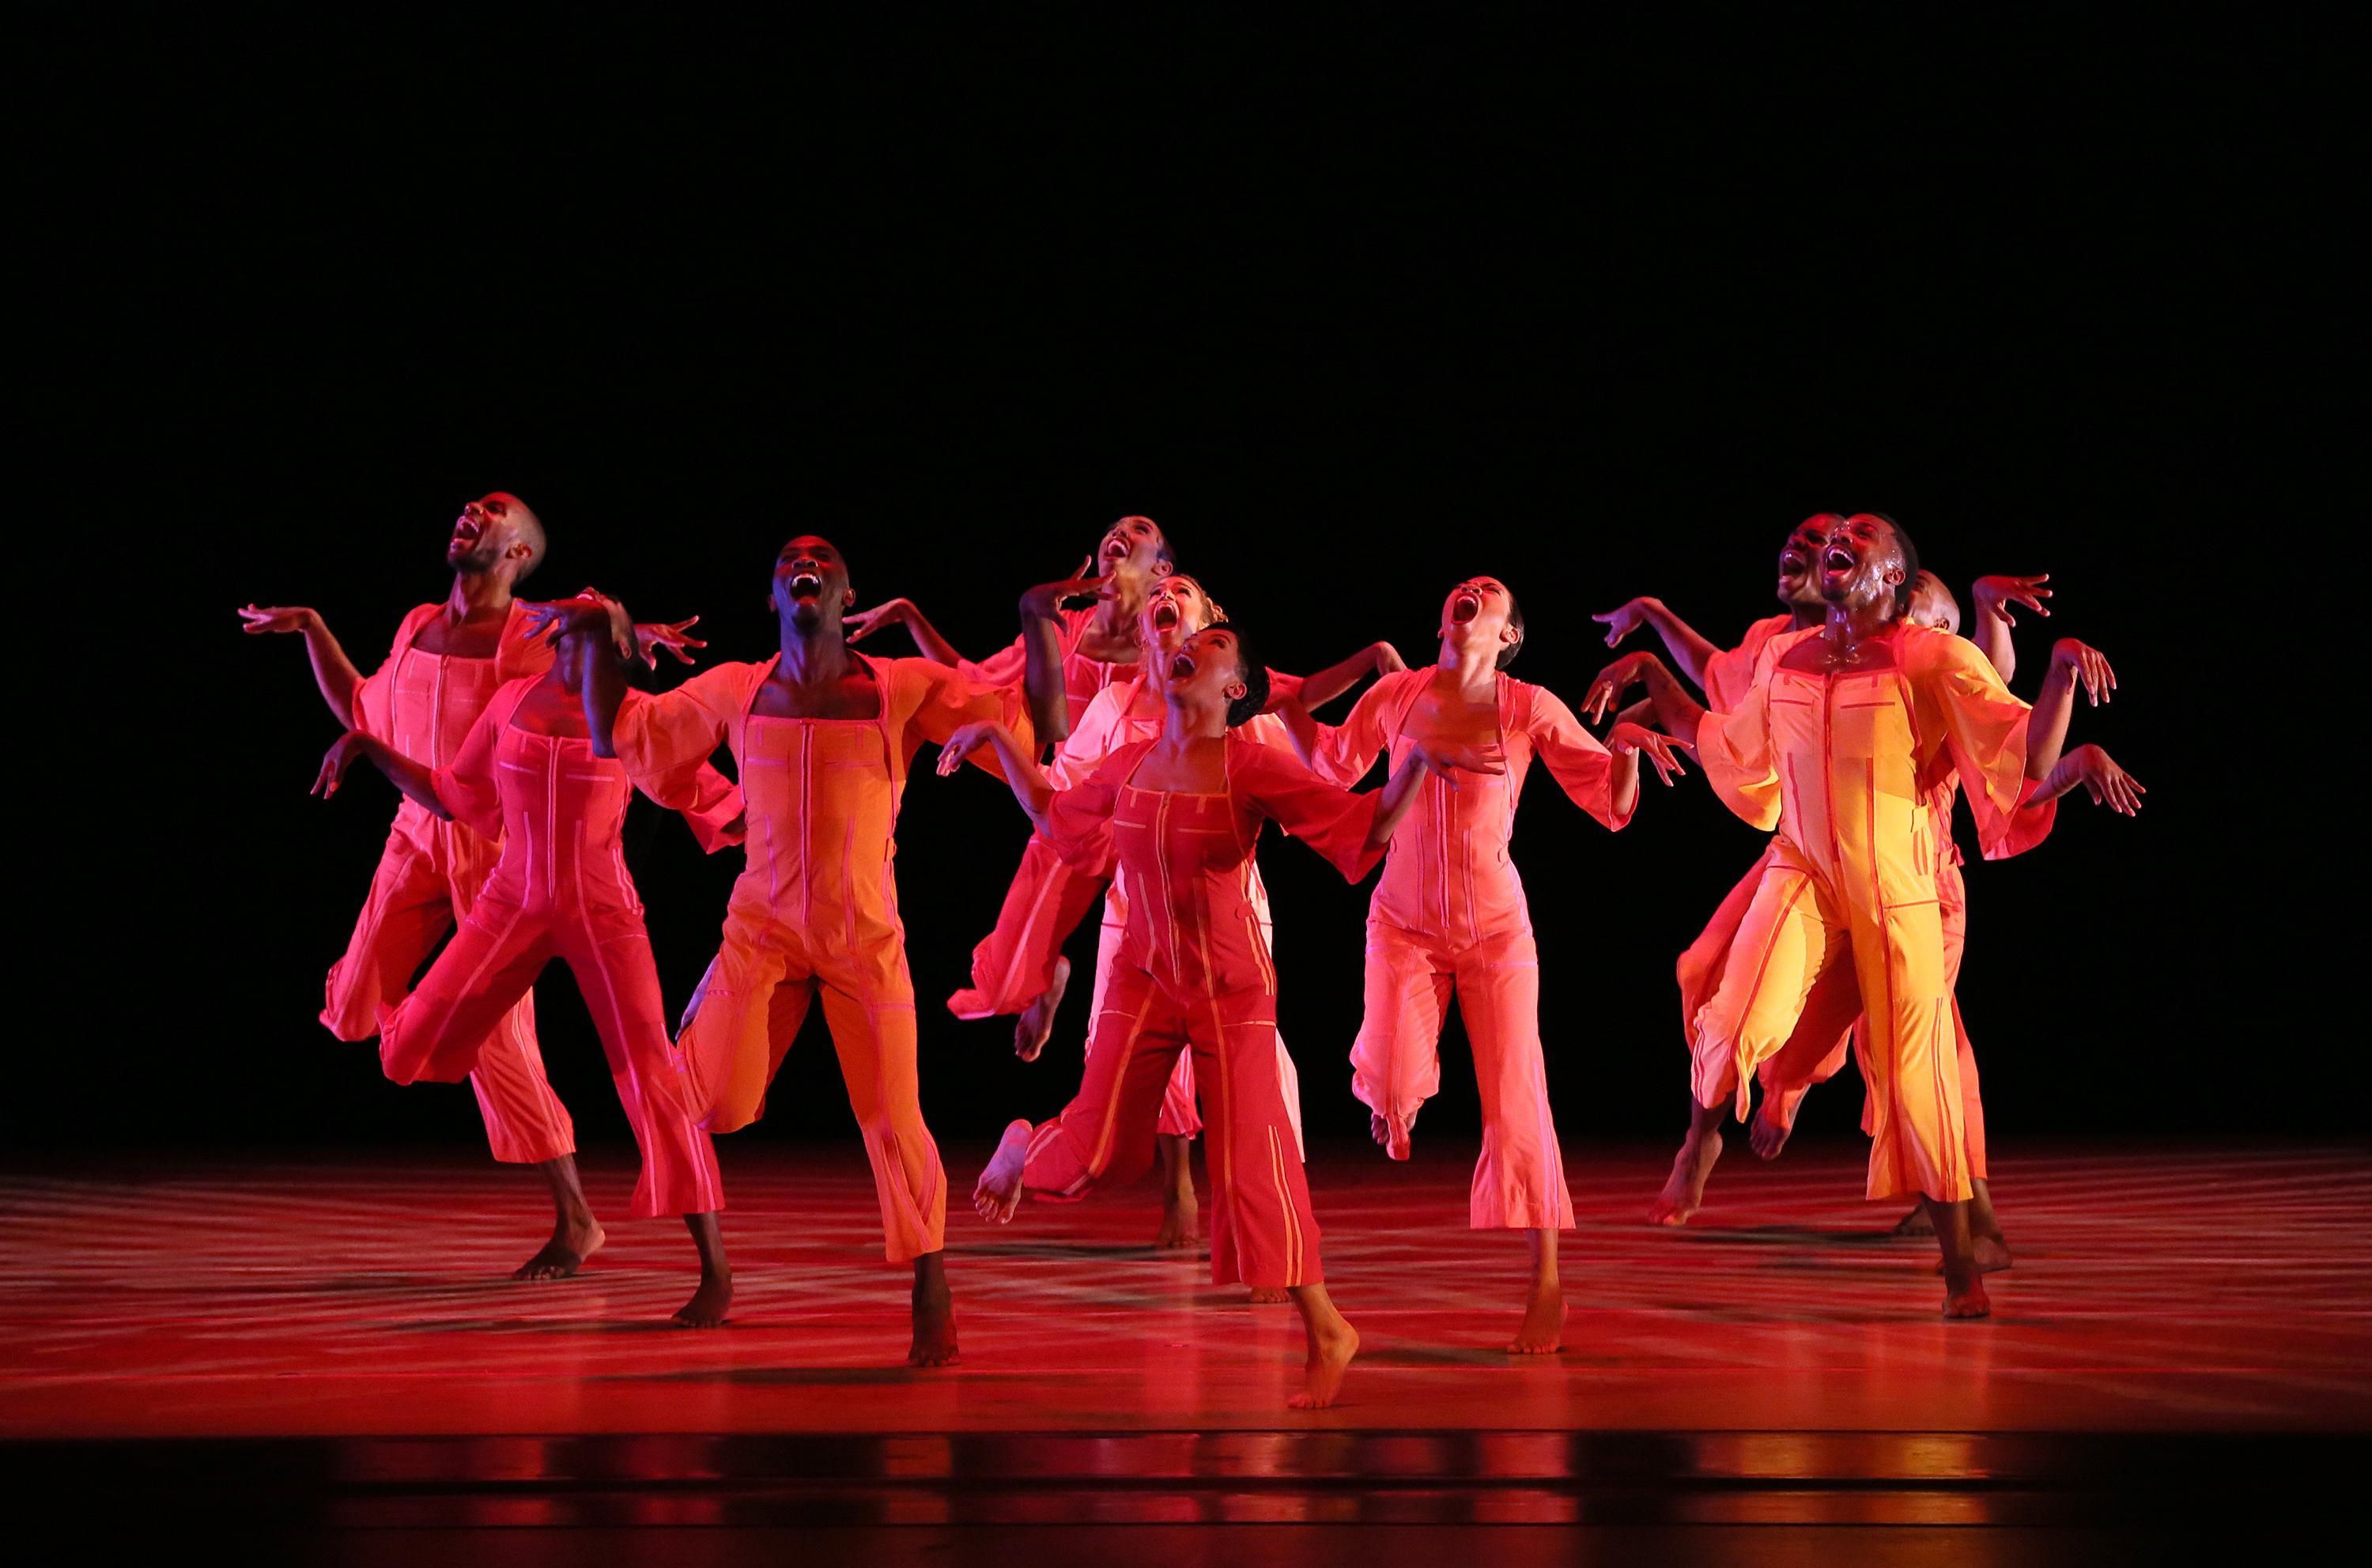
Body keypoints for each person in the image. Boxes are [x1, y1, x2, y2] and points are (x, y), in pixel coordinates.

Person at [950, 623, 1494, 1407]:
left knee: (1252, 1161)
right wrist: (1000, 738)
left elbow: (1359, 826)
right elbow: (1054, 815)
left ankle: (1327, 1327)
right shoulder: (1129, 760)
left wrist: (1412, 765)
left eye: (1213, 645)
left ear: (1236, 688)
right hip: (1143, 981)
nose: (1191, 647)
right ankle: (1023, 1147)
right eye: (1188, 641)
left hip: (1230, 991)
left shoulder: (1250, 765)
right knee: (1096, 1155)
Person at [1622, 512, 2097, 1317]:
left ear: (1894, 580)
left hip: (1901, 886)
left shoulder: (1931, 657)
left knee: (1916, 1068)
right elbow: (1726, 743)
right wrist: (1649, 688)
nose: (1840, 536)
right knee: (1732, 1016)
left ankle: (1959, 1260)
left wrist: (2060, 675)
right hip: (1802, 869)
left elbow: (2026, 759)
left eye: (1863, 533)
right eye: (1837, 532)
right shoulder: (1783, 658)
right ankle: (1702, 1134)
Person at [238, 492, 711, 1279]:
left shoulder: (531, 633)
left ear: (520, 553)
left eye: (492, 512)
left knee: (503, 1044)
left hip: (492, 851)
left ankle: (576, 1219)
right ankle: (433, 1025)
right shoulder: (417, 621)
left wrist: (632, 635)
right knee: (353, 1005)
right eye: (469, 505)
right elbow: (364, 705)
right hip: (412, 834)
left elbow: (597, 663)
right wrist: (313, 629)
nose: (471, 511)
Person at [590, 535, 1034, 1368]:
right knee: (702, 1100)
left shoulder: (898, 689)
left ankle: (931, 1287)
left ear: (846, 594)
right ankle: (715, 1271)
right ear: (774, 598)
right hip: (760, 932)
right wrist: (598, 640)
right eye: (793, 559)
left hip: (865, 937)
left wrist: (1040, 639)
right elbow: (636, 740)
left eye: (824, 559)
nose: (808, 563)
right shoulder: (735, 689)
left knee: (894, 1117)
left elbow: (1020, 729)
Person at [1282, 576, 1687, 1352]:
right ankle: (1391, 1093)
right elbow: (1331, 762)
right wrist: (1327, 678)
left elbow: (1607, 800)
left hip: (1497, 931)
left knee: (1518, 1099)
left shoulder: (1525, 704)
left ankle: (1546, 1283)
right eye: (1464, 587)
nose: (1472, 590)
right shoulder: (1397, 695)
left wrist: (1628, 746)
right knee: (1396, 1085)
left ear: (1508, 635)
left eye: (1490, 593)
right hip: (1402, 923)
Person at [312, 593, 731, 1324]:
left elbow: (708, 795)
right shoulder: (509, 700)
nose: (581, 632)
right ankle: (411, 1022)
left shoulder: (635, 715)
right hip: (512, 901)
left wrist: (769, 846)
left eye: (602, 631)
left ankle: (715, 1271)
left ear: (620, 651)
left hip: (602, 913)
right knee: (405, 1044)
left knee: (649, 1078)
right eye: (576, 624)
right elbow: (454, 794)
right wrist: (369, 748)